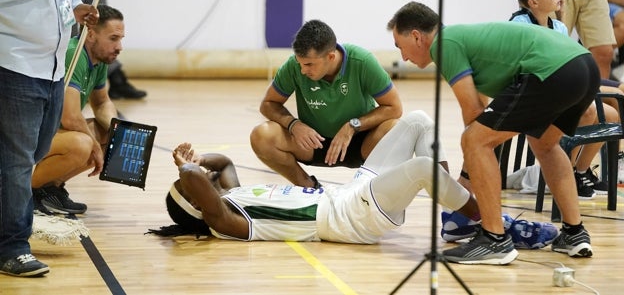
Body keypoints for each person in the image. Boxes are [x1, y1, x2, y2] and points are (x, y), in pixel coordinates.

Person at [157, 112, 558, 259]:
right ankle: (494, 224)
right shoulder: (224, 221)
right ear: (197, 204)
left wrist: (197, 161)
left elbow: (222, 163)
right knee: (421, 167)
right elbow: (196, 181)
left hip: (348, 195)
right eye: (199, 184)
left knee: (417, 120)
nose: (208, 177)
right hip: (350, 219)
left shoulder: (232, 194)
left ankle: (458, 218)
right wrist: (185, 170)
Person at [387, 1, 599, 264]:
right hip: (584, 67)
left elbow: (473, 114)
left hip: (552, 70)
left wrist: (467, 179)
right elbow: (485, 109)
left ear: (417, 36)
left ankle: (494, 239)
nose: (403, 56)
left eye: (400, 46)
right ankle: (574, 232)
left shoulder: (445, 44)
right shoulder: (466, 39)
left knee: (473, 139)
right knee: (544, 145)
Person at [1, 0, 98, 278]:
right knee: (17, 162)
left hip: (54, 64)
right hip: (13, 62)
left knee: (36, 152)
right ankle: (12, 246)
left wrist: (75, 5)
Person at [250, 19, 402, 188]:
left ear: (330, 56)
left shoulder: (362, 61)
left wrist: (353, 126)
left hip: (360, 140)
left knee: (395, 130)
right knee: (262, 135)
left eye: (308, 64)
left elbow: (394, 108)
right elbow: (268, 103)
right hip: (313, 143)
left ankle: (370, 192)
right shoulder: (294, 67)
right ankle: (309, 188)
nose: (302, 70)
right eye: (300, 63)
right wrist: (293, 124)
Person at [510, 0, 619, 198]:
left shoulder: (558, 26)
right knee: (588, 112)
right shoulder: (519, 26)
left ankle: (580, 170)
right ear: (533, 2)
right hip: (532, 95)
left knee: (610, 114)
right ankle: (563, 174)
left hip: (560, 91)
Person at [32, 5, 124, 215]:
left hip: (53, 132)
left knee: (112, 135)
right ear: (90, 34)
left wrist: (117, 127)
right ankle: (25, 193)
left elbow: (101, 103)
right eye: (113, 38)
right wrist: (96, 148)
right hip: (34, 134)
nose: (119, 46)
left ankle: (49, 189)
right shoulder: (73, 54)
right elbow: (70, 117)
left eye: (121, 38)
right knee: (82, 144)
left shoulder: (99, 60)